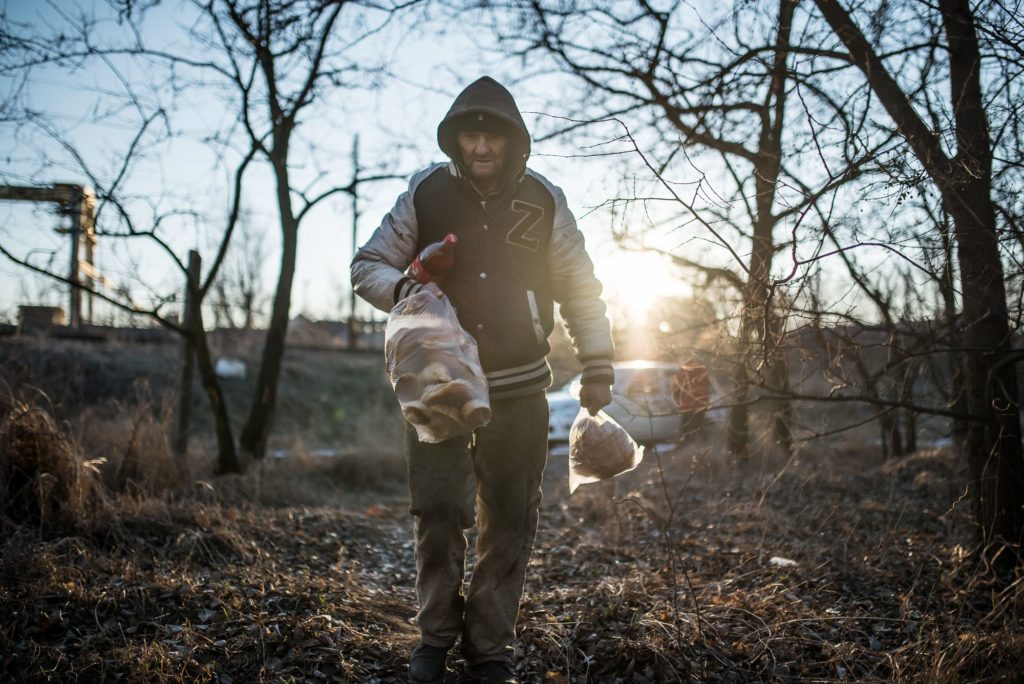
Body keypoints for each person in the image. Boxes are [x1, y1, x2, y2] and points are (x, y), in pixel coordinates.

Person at [350, 76, 614, 684]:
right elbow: (367, 266)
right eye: (470, 133)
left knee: (511, 516)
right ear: (455, 139)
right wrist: (410, 283)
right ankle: (434, 638)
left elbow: (580, 288)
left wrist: (597, 363)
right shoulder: (427, 191)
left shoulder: (545, 200)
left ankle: (488, 647)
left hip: (521, 383)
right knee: (439, 509)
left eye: (493, 134)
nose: (482, 146)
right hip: (439, 382)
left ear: (515, 140)